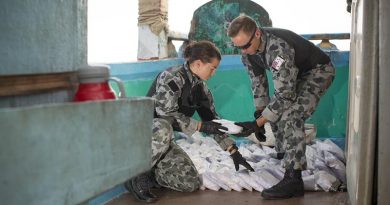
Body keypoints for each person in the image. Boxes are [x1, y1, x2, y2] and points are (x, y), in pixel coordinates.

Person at [124, 40, 254, 203]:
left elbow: (213, 122)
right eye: (212, 68)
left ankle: (152, 174)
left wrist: (233, 151)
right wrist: (200, 126)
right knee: (163, 127)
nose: (214, 73)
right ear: (199, 64)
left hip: (162, 143)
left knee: (189, 181)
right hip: (144, 134)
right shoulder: (172, 76)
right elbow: (165, 114)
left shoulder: (201, 89)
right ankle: (136, 175)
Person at [227, 15, 335, 199]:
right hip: (297, 74)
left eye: (245, 46)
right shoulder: (248, 53)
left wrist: (259, 122)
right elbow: (258, 84)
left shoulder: (278, 49)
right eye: (238, 47)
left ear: (258, 34)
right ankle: (285, 151)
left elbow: (284, 95)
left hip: (318, 71)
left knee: (291, 115)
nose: (243, 52)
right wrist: (259, 116)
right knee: (273, 110)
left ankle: (294, 178)